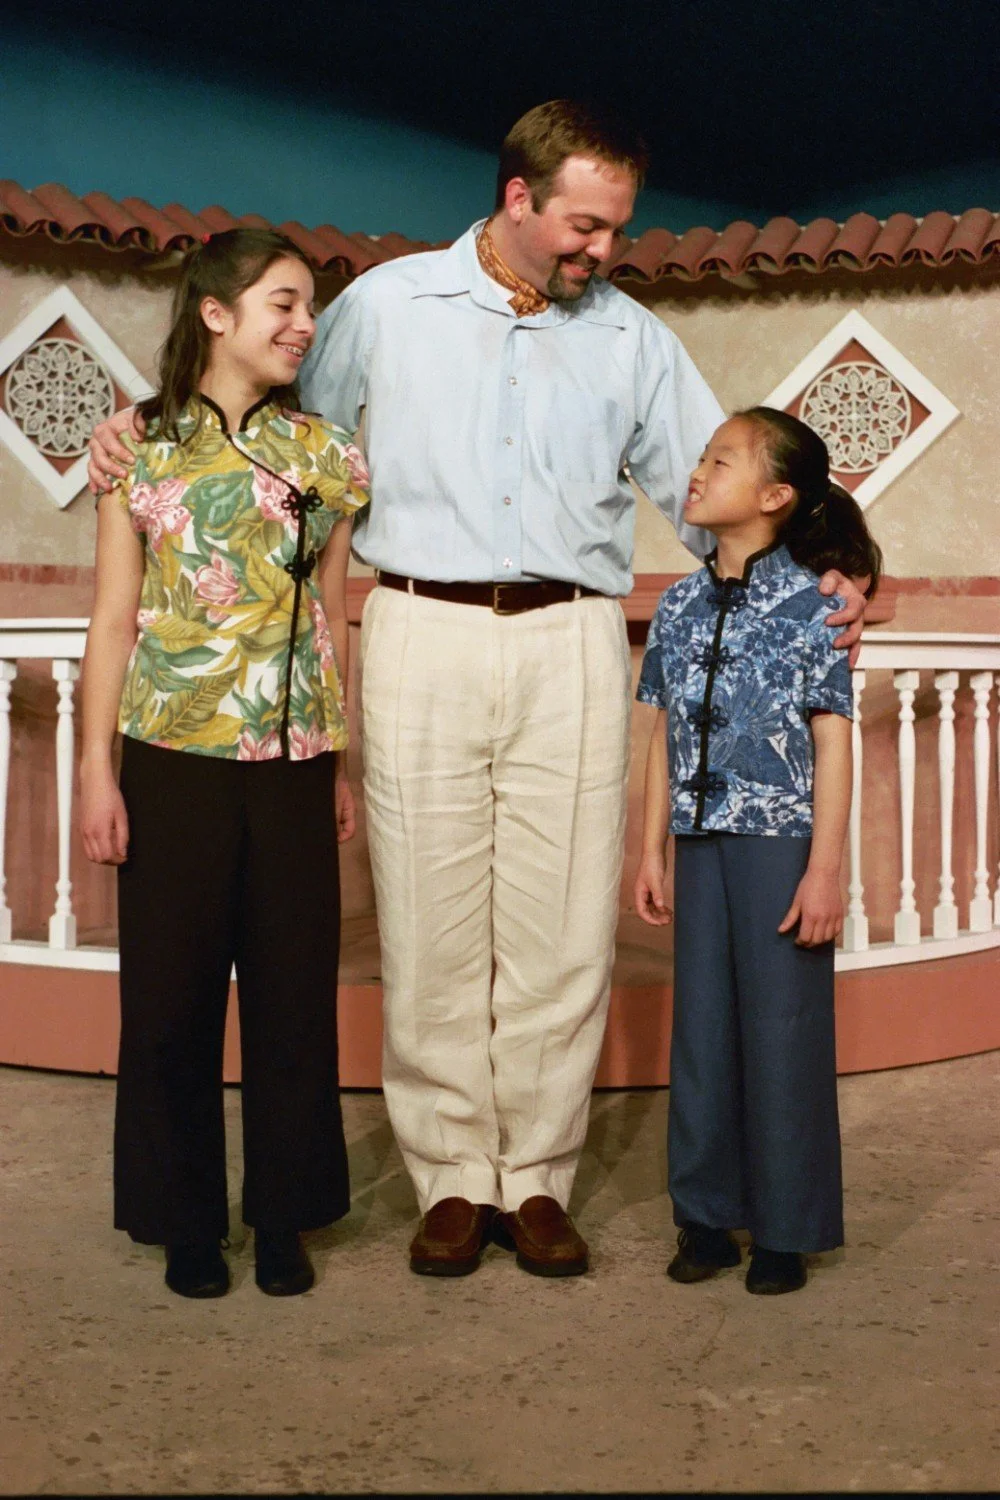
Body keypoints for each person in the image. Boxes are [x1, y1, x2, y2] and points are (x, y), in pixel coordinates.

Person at [88, 101, 867, 1281]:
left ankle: (536, 1177)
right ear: (518, 199)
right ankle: (452, 1176)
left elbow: (724, 481)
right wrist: (134, 427)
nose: (603, 249)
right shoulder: (388, 307)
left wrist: (840, 559)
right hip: (420, 628)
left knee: (563, 926)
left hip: (571, 638)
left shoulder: (633, 341)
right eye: (585, 225)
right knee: (429, 919)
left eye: (615, 228)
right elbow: (264, 421)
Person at [80, 228, 370, 1299]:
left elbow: (331, 617)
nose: (303, 326)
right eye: (282, 303)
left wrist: (337, 761)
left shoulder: (329, 456)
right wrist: (96, 770)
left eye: (309, 308)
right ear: (215, 312)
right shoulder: (138, 449)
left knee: (294, 999)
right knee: (169, 1002)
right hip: (171, 757)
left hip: (292, 761)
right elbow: (113, 619)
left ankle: (285, 1216)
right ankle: (184, 1222)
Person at [634, 406, 882, 1293]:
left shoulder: (817, 602)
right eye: (702, 457)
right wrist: (652, 849)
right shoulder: (677, 603)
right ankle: (704, 1219)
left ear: (775, 496)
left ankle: (785, 1230)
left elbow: (833, 741)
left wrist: (825, 870)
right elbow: (661, 735)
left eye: (722, 461)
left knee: (783, 1034)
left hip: (781, 844)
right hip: (698, 841)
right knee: (700, 1036)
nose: (698, 472)